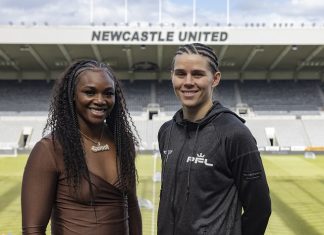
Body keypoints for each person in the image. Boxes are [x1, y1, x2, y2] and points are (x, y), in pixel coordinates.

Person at [157, 43, 271, 235]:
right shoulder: (166, 132)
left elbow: (259, 209)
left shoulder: (235, 133)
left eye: (198, 74)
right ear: (172, 76)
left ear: (215, 78)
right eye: (180, 73)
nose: (188, 82)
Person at [21, 59, 142, 234]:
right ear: (72, 95)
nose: (100, 100)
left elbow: (131, 208)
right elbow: (33, 230)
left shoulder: (123, 142)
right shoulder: (50, 150)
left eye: (108, 93)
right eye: (89, 92)